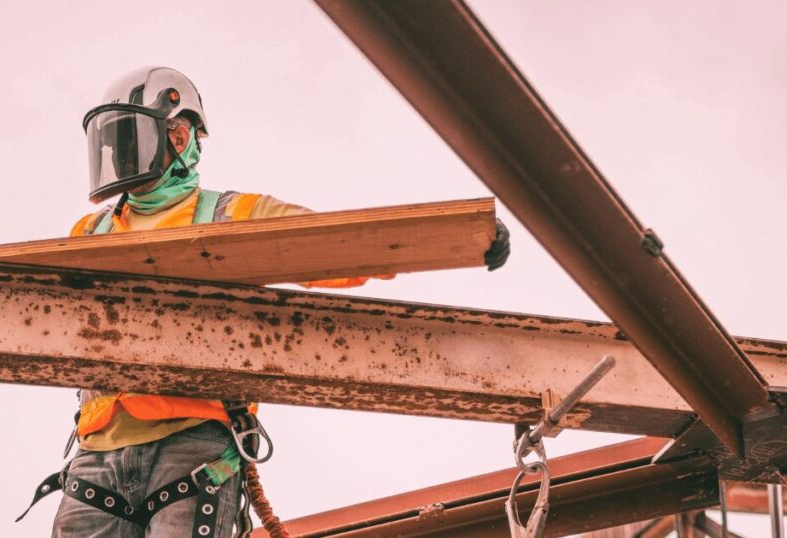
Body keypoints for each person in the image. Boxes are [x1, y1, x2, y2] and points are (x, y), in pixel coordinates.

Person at [36, 66, 510, 537]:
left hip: (191, 447)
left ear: (178, 137)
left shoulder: (233, 216)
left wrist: (462, 237)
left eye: (130, 139)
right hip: (96, 455)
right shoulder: (90, 232)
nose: (119, 155)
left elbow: (338, 246)